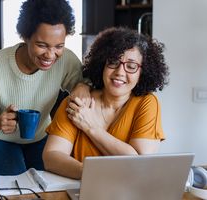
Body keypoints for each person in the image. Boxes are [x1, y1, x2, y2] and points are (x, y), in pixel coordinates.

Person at [0, 0, 89, 175]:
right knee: (17, 188)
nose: (50, 55)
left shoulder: (66, 60)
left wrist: (83, 85)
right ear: (25, 36)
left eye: (59, 46)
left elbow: (86, 82)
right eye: (42, 45)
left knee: (48, 184)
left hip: (39, 136)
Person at [42, 27, 169, 179]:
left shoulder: (147, 103)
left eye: (131, 66)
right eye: (113, 62)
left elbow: (140, 164)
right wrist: (90, 173)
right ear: (102, 64)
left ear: (143, 72)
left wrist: (91, 127)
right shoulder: (78, 102)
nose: (120, 72)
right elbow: (51, 157)